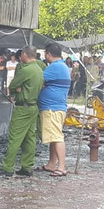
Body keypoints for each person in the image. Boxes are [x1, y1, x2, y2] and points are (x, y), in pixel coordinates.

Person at [2, 46, 43, 176]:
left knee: (15, 137)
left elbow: (12, 85)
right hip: (33, 106)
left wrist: (16, 89)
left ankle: (8, 167)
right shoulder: (39, 68)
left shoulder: (26, 70)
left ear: (25, 54)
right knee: (30, 138)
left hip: (23, 107)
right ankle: (27, 166)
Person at [39, 44, 72, 176]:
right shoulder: (62, 66)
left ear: (48, 54)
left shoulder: (54, 67)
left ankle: (61, 167)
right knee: (54, 136)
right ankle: (51, 163)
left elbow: (38, 80)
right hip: (57, 106)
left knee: (57, 136)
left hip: (52, 107)